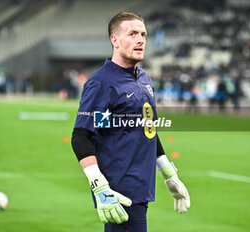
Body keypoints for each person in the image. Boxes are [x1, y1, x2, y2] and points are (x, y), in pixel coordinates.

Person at [71, 12, 190, 232]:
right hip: (119, 194)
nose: (140, 40)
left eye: (143, 34)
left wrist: (170, 175)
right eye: (132, 34)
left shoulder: (144, 79)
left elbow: (148, 129)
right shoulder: (102, 83)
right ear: (114, 40)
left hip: (141, 187)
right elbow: (81, 136)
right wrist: (100, 186)